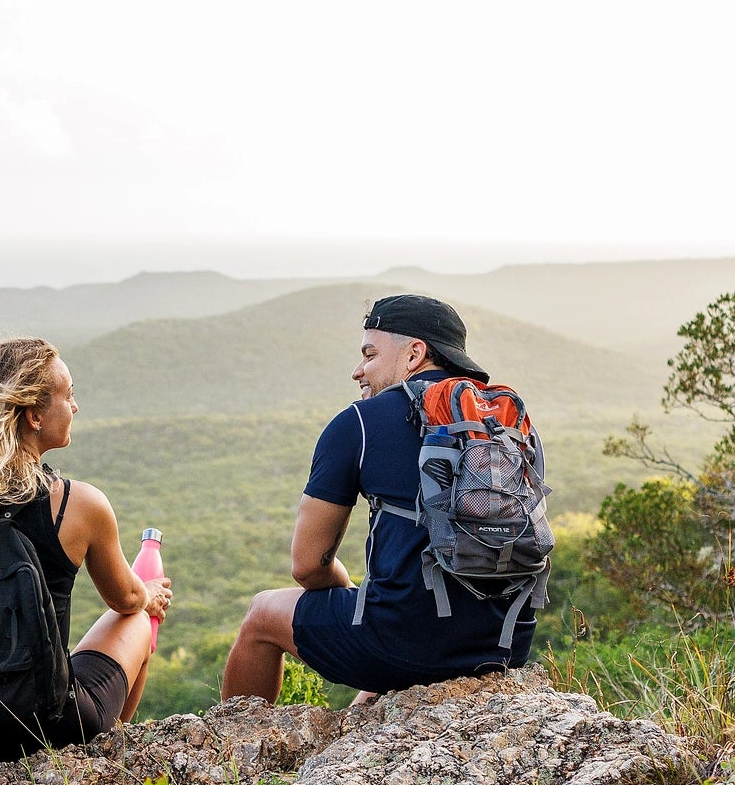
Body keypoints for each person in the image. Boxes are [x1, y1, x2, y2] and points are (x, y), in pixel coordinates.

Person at [220, 294, 537, 704]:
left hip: (407, 647)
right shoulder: (503, 421)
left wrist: (350, 590)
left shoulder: (358, 423)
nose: (357, 371)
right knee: (392, 620)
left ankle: (236, 749)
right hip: (505, 645)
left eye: (369, 354)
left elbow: (307, 568)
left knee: (263, 613)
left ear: (414, 354)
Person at [0, 337, 172, 770]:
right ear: (35, 415)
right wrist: (149, 594)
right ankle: (99, 762)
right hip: (52, 726)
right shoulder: (80, 505)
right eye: (69, 396)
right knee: (136, 618)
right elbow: (125, 599)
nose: (75, 407)